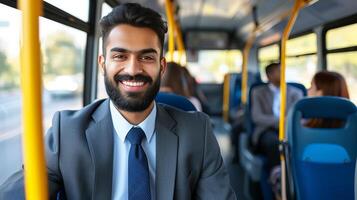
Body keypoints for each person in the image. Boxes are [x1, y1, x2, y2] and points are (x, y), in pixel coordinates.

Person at [0, 3, 236, 200]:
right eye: (120, 56)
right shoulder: (67, 132)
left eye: (146, 57)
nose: (133, 69)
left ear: (161, 66)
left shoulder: (197, 132)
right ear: (103, 63)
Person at [250, 63, 303, 196]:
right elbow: (257, 117)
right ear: (269, 75)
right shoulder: (258, 92)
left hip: (289, 130)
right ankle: (278, 179)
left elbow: (297, 116)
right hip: (265, 130)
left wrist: (284, 122)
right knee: (274, 143)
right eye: (278, 72)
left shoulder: (296, 92)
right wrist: (281, 121)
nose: (282, 74)